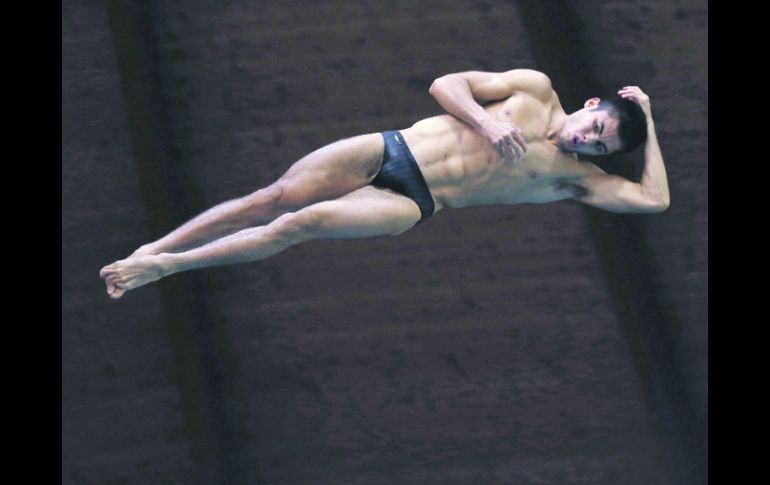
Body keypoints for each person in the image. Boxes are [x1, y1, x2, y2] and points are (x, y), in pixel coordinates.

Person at [100, 69, 669, 299]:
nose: (585, 142)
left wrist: (651, 120)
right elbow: (446, 84)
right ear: (589, 106)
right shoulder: (532, 90)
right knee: (268, 199)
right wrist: (487, 121)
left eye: (598, 147)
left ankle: (165, 267)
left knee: (296, 224)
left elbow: (653, 199)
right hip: (393, 147)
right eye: (593, 128)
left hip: (415, 201)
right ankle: (155, 247)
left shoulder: (573, 180)